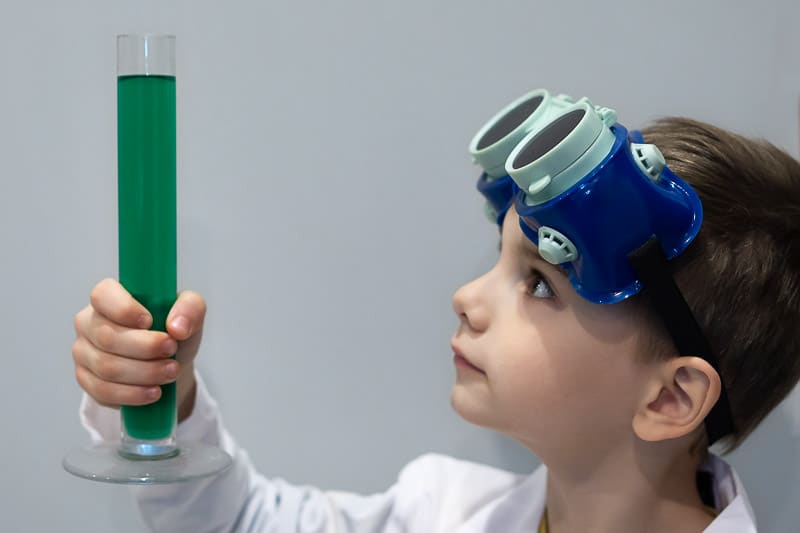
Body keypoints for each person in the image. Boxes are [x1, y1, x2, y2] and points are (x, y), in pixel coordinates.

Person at [72, 90, 800, 532]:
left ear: (671, 395)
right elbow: (238, 523)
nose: (467, 297)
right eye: (500, 257)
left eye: (539, 283)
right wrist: (164, 394)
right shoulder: (442, 510)